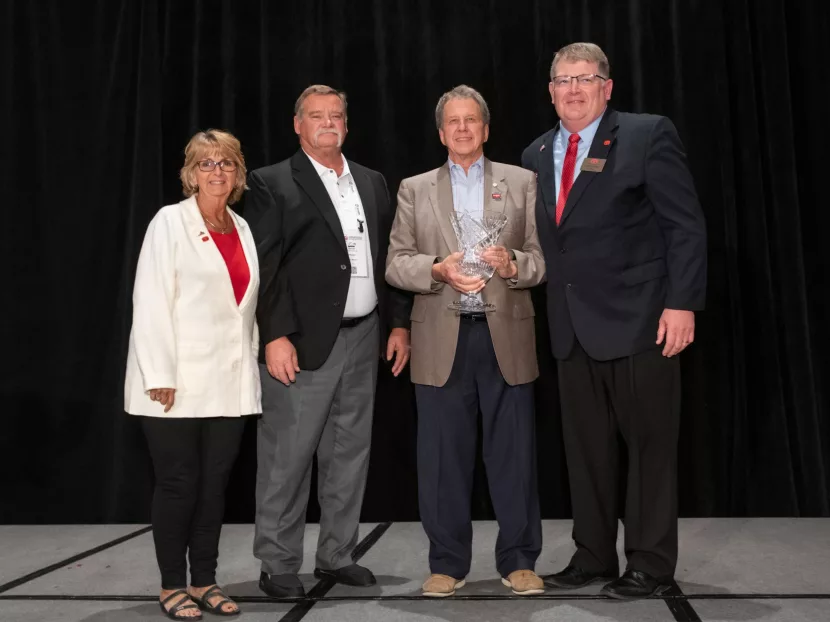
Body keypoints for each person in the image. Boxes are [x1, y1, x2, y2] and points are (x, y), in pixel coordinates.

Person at [521, 42, 707, 600]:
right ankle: (594, 554)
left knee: (649, 448)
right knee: (585, 451)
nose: (573, 89)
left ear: (607, 86)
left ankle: (650, 562)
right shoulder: (534, 154)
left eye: (585, 78)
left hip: (642, 321)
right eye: (562, 80)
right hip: (569, 326)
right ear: (550, 91)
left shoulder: (647, 135)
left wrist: (683, 303)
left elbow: (685, 227)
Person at [245, 85, 413, 599]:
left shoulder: (372, 181)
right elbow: (265, 268)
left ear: (347, 123)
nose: (327, 123)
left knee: (349, 454)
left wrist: (400, 324)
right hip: (301, 342)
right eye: (316, 116)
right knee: (287, 457)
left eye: (336, 115)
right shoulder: (270, 182)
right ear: (297, 125)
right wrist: (274, 335)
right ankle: (277, 563)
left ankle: (337, 555)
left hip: (365, 335)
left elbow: (389, 260)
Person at [386, 85, 547, 598]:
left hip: (506, 337)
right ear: (440, 132)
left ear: (486, 128)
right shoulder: (415, 188)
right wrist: (437, 269)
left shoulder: (522, 183)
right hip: (441, 338)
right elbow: (395, 262)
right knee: (441, 460)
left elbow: (543, 260)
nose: (462, 129)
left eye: (471, 120)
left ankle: (520, 560)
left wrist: (514, 264)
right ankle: (446, 564)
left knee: (515, 457)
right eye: (453, 121)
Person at [124, 129, 260, 619]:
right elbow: (151, 300)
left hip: (229, 382)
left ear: (238, 172)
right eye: (207, 164)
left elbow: (244, 310)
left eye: (226, 163)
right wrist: (158, 371)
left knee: (214, 486)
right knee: (179, 484)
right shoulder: (169, 222)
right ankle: (169, 585)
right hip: (175, 382)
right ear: (190, 173)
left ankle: (204, 579)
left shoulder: (242, 228)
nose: (217, 171)